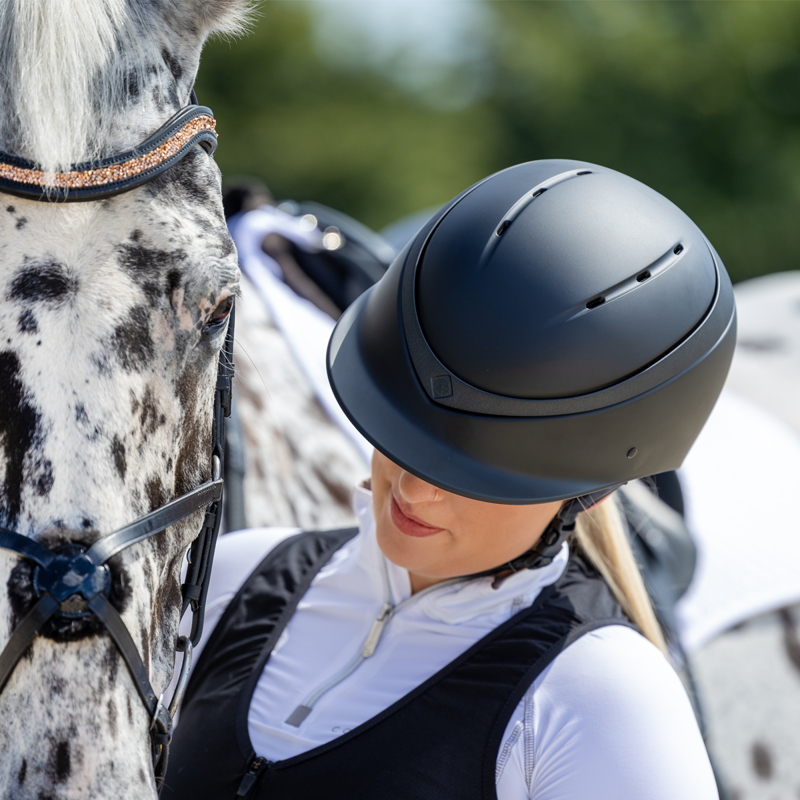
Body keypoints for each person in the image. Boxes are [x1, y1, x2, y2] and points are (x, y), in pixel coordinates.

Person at [163, 159, 735, 799]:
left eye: (470, 473)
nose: (414, 490)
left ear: (590, 486)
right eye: (400, 434)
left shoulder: (602, 697)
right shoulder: (232, 579)